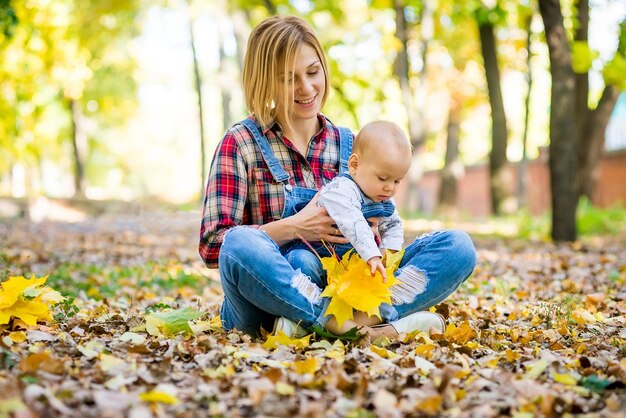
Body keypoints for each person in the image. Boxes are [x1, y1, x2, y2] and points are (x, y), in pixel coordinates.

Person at [199, 15, 477, 339]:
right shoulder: (241, 143)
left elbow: (385, 218)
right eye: (289, 78)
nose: (306, 88)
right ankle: (355, 327)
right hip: (268, 302)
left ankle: (356, 321)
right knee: (240, 243)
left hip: (349, 289)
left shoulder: (351, 145)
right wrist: (294, 227)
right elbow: (214, 247)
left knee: (457, 247)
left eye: (313, 72)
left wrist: (377, 244)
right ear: (266, 82)